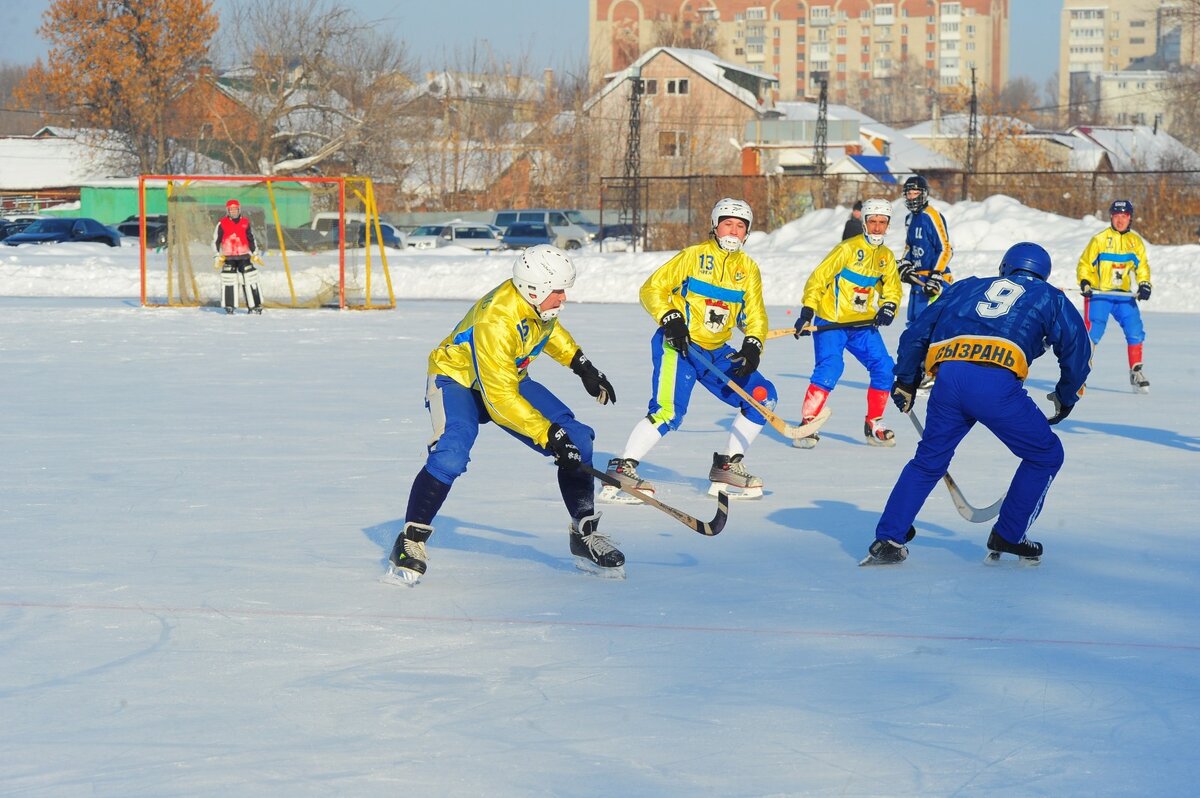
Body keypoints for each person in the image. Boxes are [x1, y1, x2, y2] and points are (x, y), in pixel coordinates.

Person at [386, 245, 624, 583]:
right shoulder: (496, 320)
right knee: (452, 453)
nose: (563, 298)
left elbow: (547, 330)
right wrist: (549, 434)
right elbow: (499, 400)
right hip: (456, 380)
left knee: (579, 439)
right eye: (557, 291)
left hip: (504, 377)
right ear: (534, 289)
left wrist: (580, 364)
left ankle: (584, 534)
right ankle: (410, 540)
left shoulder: (534, 304)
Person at [862, 242, 1092, 566]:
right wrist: (1066, 396)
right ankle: (1009, 535)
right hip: (995, 383)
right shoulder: (1050, 295)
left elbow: (916, 333)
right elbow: (1076, 349)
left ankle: (889, 537)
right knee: (1046, 454)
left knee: (928, 460)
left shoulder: (967, 286)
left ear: (1004, 267)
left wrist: (905, 380)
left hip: (949, 379)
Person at [601, 197, 776, 502]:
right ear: (715, 226)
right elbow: (652, 289)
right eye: (727, 224)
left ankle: (728, 466)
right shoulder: (693, 257)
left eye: (740, 226)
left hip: (716, 352)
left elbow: (754, 315)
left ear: (747, 232)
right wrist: (671, 318)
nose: (733, 231)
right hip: (678, 347)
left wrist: (752, 344)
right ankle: (622, 469)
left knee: (762, 396)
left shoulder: (748, 269)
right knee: (669, 411)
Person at [792, 198, 902, 449]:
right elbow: (819, 278)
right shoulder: (847, 249)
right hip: (832, 322)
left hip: (862, 325)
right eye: (872, 221)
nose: (877, 227)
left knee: (885, 367)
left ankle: (874, 422)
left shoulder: (886, 256)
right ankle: (807, 423)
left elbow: (892, 288)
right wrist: (808, 310)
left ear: (888, 225)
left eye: (882, 222)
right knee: (830, 368)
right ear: (864, 222)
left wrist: (888, 306)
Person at [1076, 199, 1152, 392]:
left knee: (1135, 330)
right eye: (1117, 216)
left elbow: (1142, 266)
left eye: (1124, 216)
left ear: (1130, 218)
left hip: (1124, 296)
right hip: (1100, 294)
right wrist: (1085, 282)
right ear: (1111, 217)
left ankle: (1136, 371)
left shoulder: (1135, 242)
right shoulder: (1099, 240)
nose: (1120, 220)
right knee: (1093, 332)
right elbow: (1085, 264)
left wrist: (1144, 284)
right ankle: (1079, 373)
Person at [897, 175, 953, 325]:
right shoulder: (909, 218)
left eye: (915, 193)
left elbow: (946, 248)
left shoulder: (932, 216)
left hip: (934, 281)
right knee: (913, 324)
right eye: (909, 194)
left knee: (931, 325)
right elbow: (909, 246)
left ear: (924, 194)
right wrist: (904, 264)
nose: (911, 197)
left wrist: (936, 275)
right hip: (918, 280)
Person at [213, 199, 263, 314]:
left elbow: (251, 239)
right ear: (228, 211)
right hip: (229, 256)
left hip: (244, 255)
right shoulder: (222, 223)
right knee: (229, 280)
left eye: (235, 209)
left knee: (250, 278)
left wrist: (255, 253)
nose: (233, 211)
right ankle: (229, 306)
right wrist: (216, 256)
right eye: (231, 209)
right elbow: (215, 240)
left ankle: (255, 305)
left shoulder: (245, 222)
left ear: (239, 209)